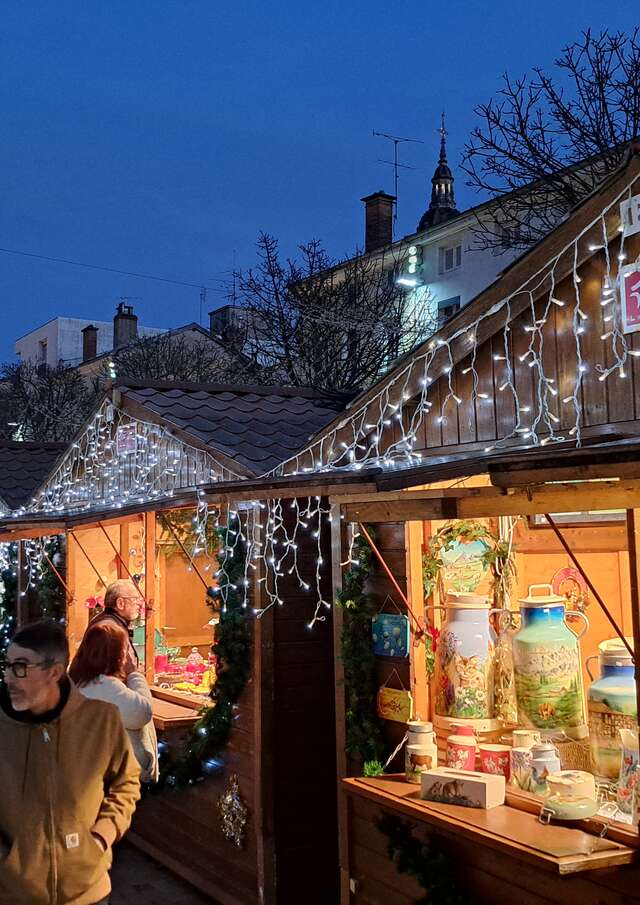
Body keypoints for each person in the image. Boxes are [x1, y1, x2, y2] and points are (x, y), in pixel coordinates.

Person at [0, 620, 140, 905]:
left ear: (54, 671)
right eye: (6, 665)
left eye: (20, 667)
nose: (8, 678)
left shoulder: (102, 720)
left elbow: (126, 782)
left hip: (89, 893)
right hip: (14, 894)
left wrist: (101, 838)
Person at [70, 622, 159, 784]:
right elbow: (142, 712)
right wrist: (134, 674)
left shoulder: (77, 680)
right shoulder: (105, 686)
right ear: (116, 655)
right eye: (126, 649)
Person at [89, 579, 143, 667]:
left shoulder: (109, 621)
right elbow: (122, 670)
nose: (140, 604)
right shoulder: (109, 629)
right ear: (120, 603)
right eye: (135, 599)